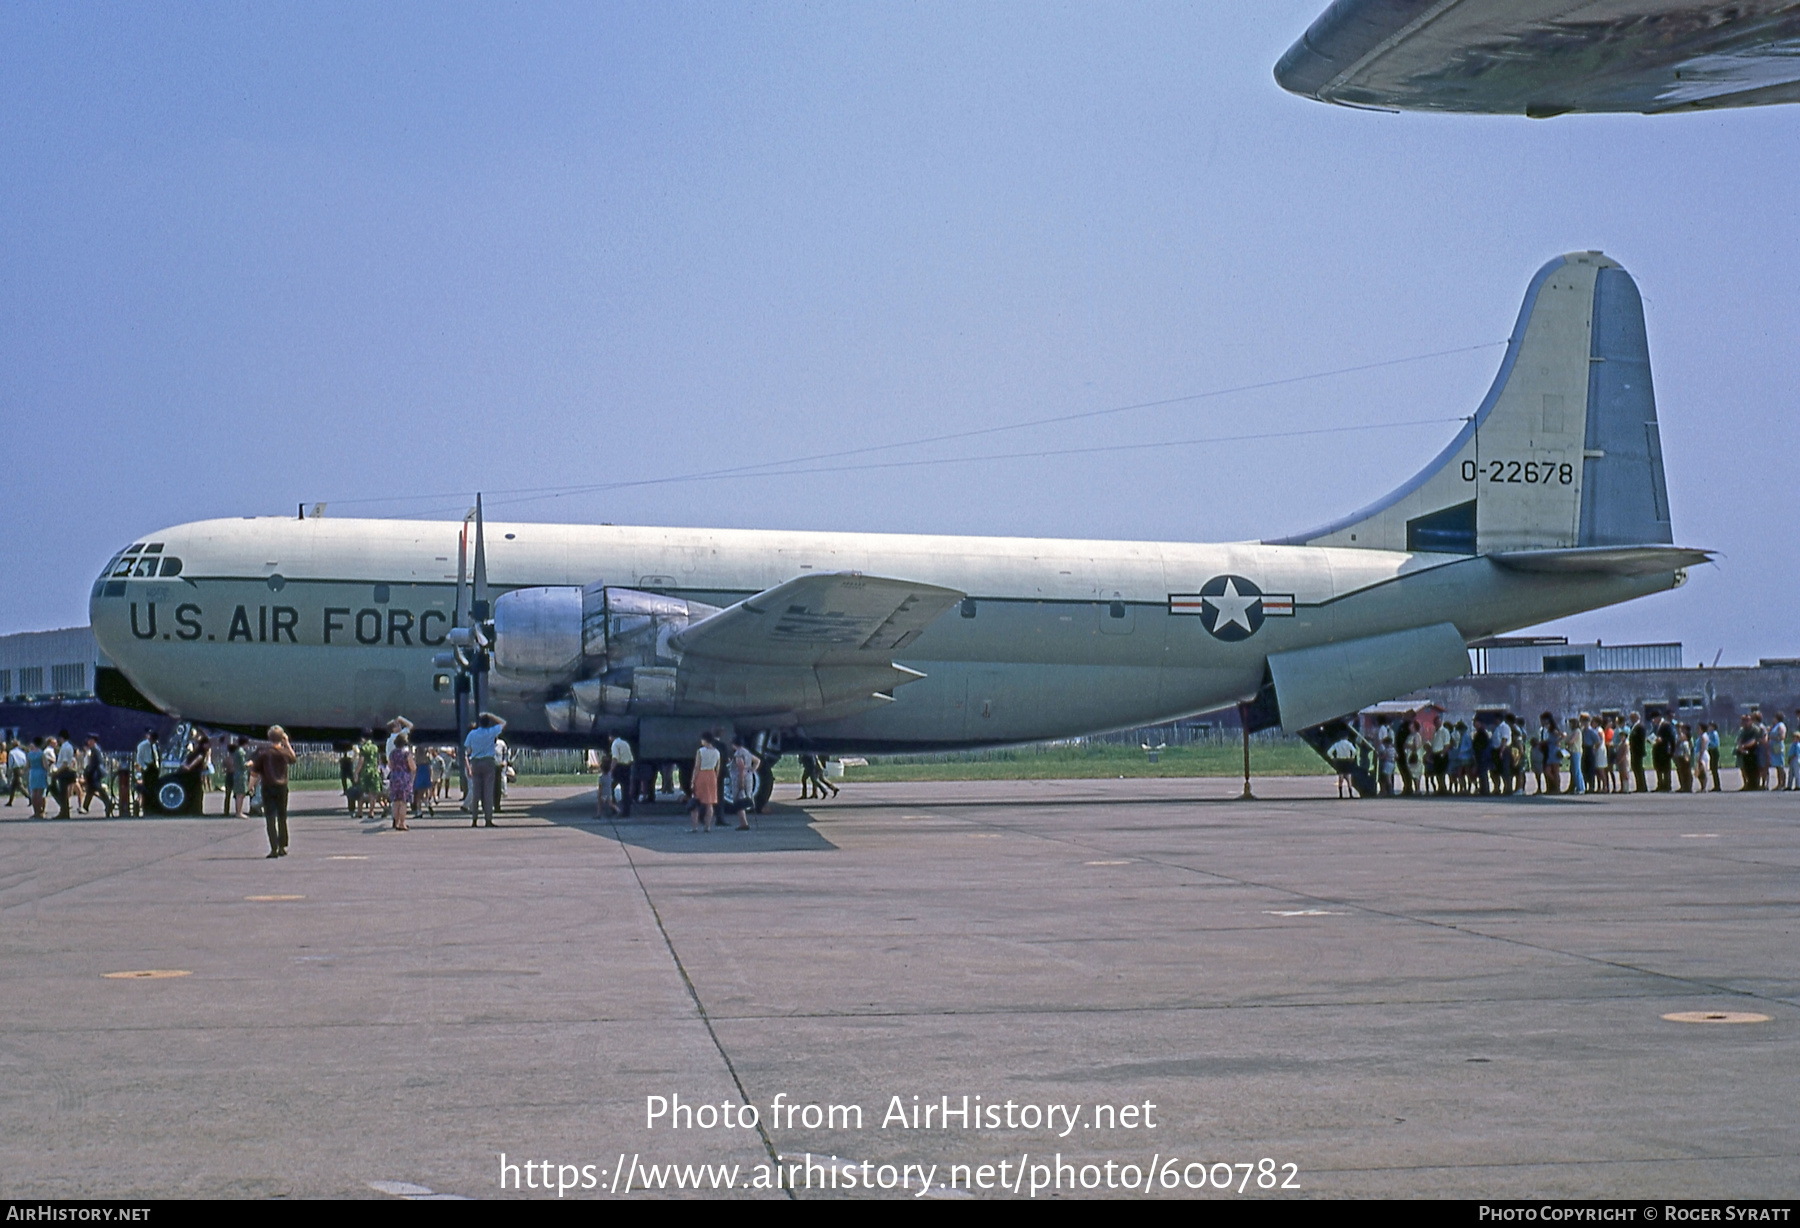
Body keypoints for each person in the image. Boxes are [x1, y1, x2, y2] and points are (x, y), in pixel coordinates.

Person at [249, 726, 297, 858]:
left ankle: (273, 848)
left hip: (268, 787)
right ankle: (282, 846)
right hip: (282, 787)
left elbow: (254, 772)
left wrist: (250, 786)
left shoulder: (263, 754)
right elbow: (293, 758)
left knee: (270, 818)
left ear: (269, 738)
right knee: (282, 817)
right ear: (282, 737)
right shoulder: (284, 752)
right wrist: (286, 743)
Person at [464, 713, 505, 828]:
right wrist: (492, 715)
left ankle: (474, 819)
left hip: (476, 762)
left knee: (476, 792)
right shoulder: (491, 732)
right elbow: (503, 723)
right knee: (488, 792)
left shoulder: (472, 733)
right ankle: (488, 819)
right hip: (488, 762)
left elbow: (467, 748)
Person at [722, 736, 761, 831]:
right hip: (748, 776)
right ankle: (745, 821)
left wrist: (741, 781)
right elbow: (757, 761)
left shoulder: (738, 754)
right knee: (747, 797)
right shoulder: (746, 752)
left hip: (740, 777)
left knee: (739, 800)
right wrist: (751, 770)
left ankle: (743, 823)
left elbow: (741, 767)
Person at [689, 733, 721, 831]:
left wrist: (692, 781)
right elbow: (718, 768)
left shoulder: (701, 751)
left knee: (696, 801)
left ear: (705, 740)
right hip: (712, 775)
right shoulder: (717, 752)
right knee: (709, 803)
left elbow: (697, 766)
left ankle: (695, 827)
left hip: (702, 775)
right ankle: (707, 826)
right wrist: (715, 777)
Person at [80, 734, 114, 817]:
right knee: (91, 790)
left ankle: (108, 803)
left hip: (95, 773)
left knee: (97, 789)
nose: (88, 742)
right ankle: (85, 807)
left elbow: (95, 763)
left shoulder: (95, 750)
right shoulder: (94, 749)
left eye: (90, 740)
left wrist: (87, 771)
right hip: (94, 772)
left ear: (93, 741)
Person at [388, 732, 415, 831]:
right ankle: (402, 823)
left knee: (395, 802)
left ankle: (396, 821)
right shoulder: (406, 754)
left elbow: (390, 766)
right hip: (404, 778)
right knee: (403, 802)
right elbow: (413, 767)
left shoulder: (392, 754)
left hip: (394, 778)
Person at [52, 728, 80, 818]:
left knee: (62, 793)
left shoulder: (64, 748)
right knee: (64, 793)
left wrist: (57, 771)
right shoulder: (69, 746)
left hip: (64, 772)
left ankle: (64, 812)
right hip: (68, 770)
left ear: (61, 738)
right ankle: (65, 812)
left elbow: (64, 763)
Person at [135, 728, 161, 815]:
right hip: (147, 766)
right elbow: (139, 758)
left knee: (154, 788)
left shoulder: (155, 745)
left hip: (153, 766)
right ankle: (146, 808)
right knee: (147, 788)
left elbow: (156, 755)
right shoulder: (142, 745)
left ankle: (153, 807)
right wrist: (145, 767)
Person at [609, 733, 635, 818]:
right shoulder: (625, 743)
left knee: (610, 787)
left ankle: (614, 808)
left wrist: (611, 770)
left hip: (619, 768)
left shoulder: (615, 744)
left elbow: (615, 758)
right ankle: (626, 812)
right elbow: (631, 758)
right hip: (627, 767)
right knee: (625, 790)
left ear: (611, 736)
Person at [1327, 732, 1358, 799]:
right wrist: (1352, 757)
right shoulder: (1349, 744)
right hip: (1347, 761)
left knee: (1340, 778)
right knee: (1349, 778)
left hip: (1339, 761)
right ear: (1346, 737)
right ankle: (1350, 794)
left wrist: (1333, 758)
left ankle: (1340, 794)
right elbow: (1354, 751)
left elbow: (1329, 752)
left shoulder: (1337, 744)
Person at [25, 736, 50, 818]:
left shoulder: (29, 754)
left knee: (34, 793)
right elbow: (45, 765)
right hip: (40, 772)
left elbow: (27, 766)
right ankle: (41, 811)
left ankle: (36, 812)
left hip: (32, 772)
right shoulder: (41, 753)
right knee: (40, 794)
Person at [1628, 713, 1648, 793]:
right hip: (1633, 751)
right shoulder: (1633, 727)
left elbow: (1641, 739)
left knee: (1639, 769)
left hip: (1638, 751)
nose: (1631, 719)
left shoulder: (1640, 727)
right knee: (1635, 768)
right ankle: (1639, 785)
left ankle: (1642, 786)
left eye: (1632, 717)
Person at [5, 737, 25, 806]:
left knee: (19, 785)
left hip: (15, 769)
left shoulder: (12, 752)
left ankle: (29, 797)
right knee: (13, 786)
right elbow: (24, 760)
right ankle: (10, 801)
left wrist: (9, 769)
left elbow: (11, 762)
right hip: (21, 768)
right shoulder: (22, 752)